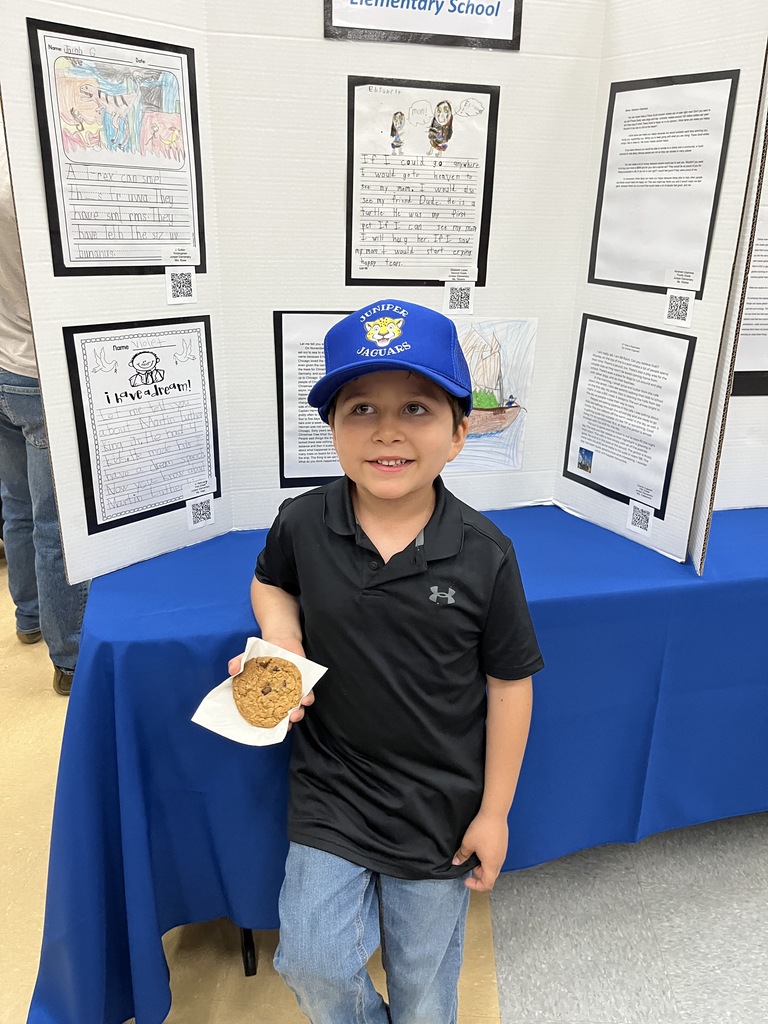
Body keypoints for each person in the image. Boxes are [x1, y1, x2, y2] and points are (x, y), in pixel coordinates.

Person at [230, 298, 543, 1024]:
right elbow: (270, 579)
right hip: (332, 789)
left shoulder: (484, 554)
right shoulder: (303, 522)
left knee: (424, 990)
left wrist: (493, 813)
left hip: (439, 803)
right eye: (361, 408)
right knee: (309, 960)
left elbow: (509, 684)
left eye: (418, 408)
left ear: (462, 432)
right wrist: (282, 634)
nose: (389, 430)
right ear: (332, 429)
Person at [0, 104, 89, 695]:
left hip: (3, 363)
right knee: (59, 522)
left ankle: (29, 618)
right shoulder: (32, 177)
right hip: (40, 371)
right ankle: (70, 656)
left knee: (16, 503)